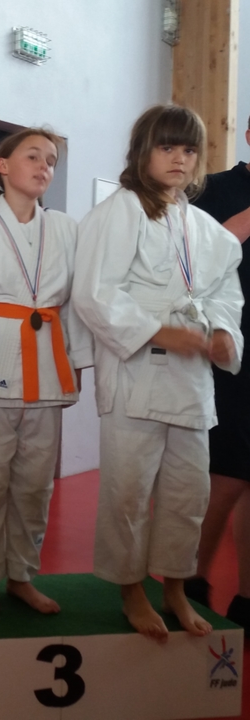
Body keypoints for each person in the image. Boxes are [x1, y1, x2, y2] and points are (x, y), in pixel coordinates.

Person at [73, 105, 243, 641]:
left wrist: (223, 334)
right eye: (167, 147)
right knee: (128, 492)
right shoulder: (118, 213)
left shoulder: (208, 230)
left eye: (189, 150)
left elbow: (226, 295)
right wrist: (157, 331)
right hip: (138, 372)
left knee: (188, 493)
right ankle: (130, 590)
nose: (179, 159)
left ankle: (175, 588)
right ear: (143, 152)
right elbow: (94, 292)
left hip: (191, 379)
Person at [0, 128, 93, 615]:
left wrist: (77, 362)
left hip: (49, 366)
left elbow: (77, 302)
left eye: (51, 160)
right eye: (33, 157)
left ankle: (21, 575)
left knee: (36, 485)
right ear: (3, 166)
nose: (44, 167)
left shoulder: (66, 228)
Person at [185, 117, 250, 632]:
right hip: (230, 353)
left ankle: (247, 600)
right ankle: (191, 582)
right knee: (224, 478)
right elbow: (196, 263)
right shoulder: (212, 190)